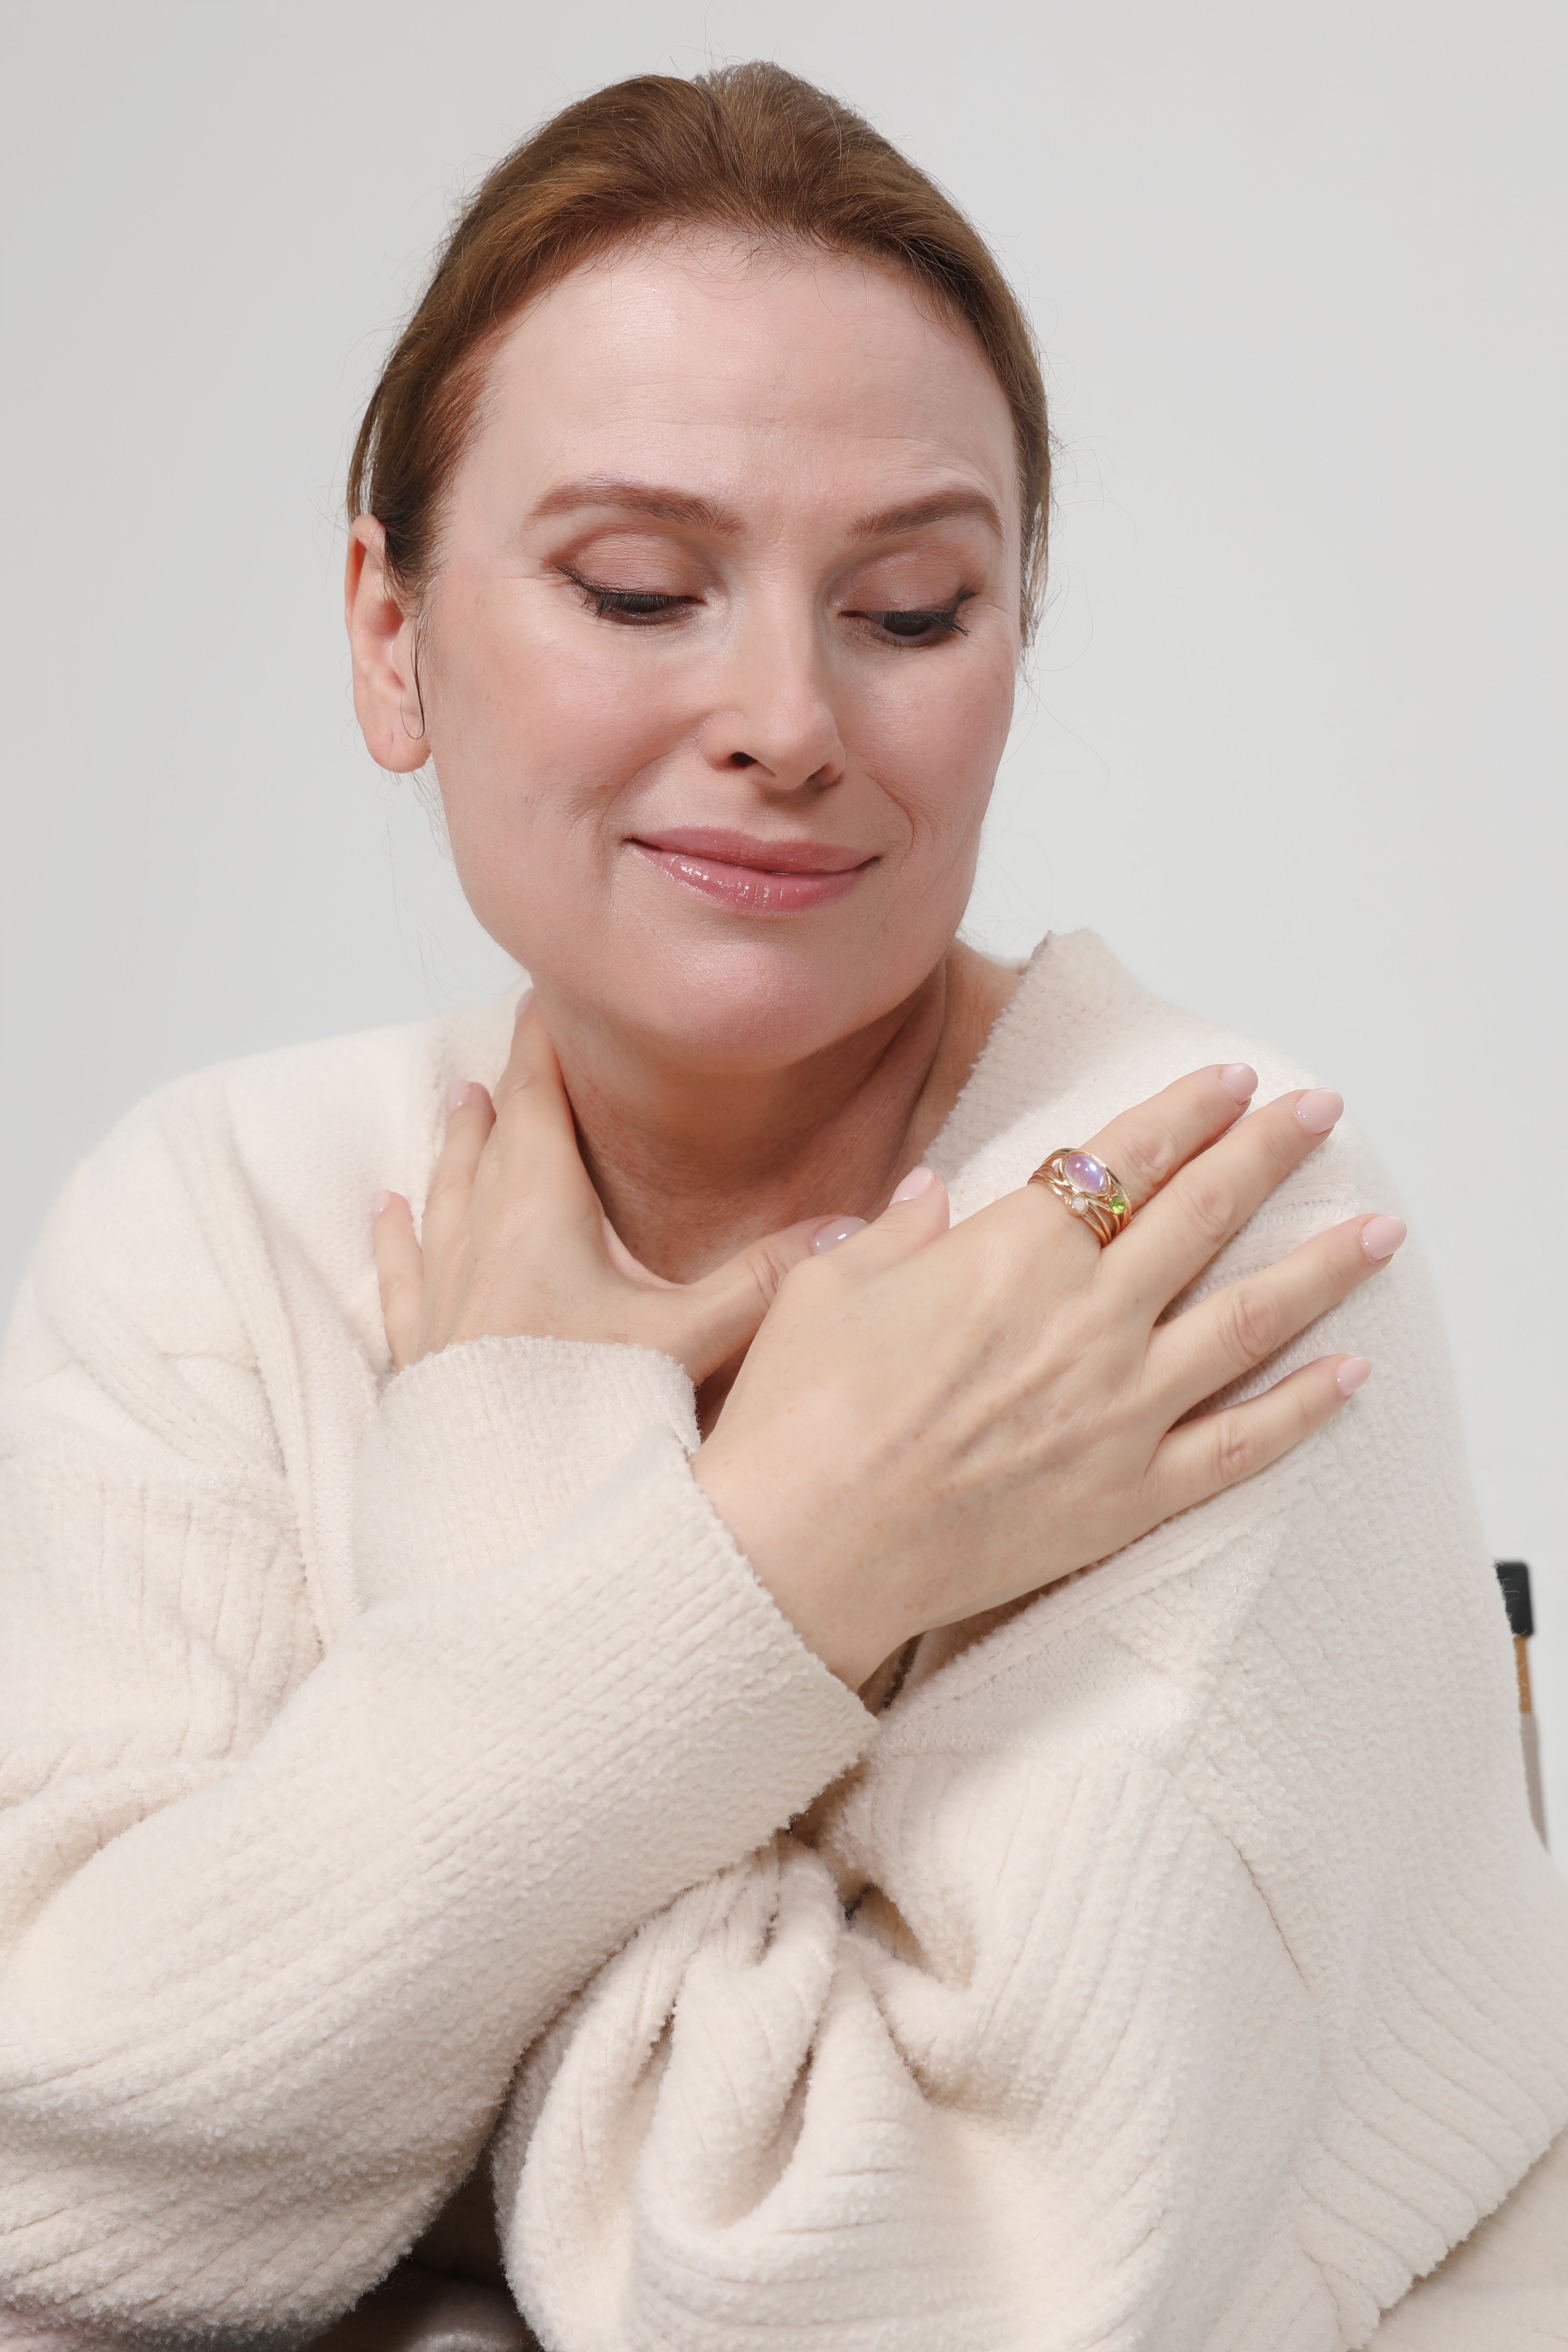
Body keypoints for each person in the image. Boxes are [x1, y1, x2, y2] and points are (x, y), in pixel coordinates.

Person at [1, 61, 1564, 2352]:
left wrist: (519, 1452)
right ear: (389, 632)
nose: (784, 716)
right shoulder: (225, 1216)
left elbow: (844, 2293)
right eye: (639, 586)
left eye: (914, 611)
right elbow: (53, 2160)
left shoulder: (1187, 1231)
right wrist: (792, 1561)